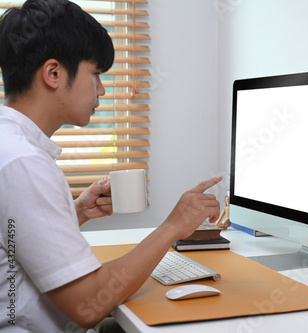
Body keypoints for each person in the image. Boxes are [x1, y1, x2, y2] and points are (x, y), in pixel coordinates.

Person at [0, 1, 221, 331]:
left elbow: (16, 241)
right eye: (96, 75)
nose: (101, 90)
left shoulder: (11, 145)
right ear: (53, 73)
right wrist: (174, 226)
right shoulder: (24, 163)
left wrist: (79, 211)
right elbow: (88, 305)